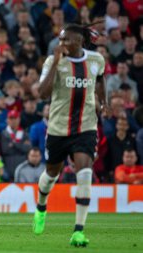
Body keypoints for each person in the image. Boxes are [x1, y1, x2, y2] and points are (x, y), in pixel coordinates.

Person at [33, 23, 108, 247]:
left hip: (85, 128)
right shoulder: (53, 61)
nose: (61, 44)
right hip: (58, 129)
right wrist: (56, 62)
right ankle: (41, 206)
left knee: (84, 173)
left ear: (80, 42)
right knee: (51, 174)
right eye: (60, 39)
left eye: (66, 40)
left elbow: (100, 78)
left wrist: (102, 102)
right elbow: (42, 93)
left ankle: (78, 231)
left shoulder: (96, 60)